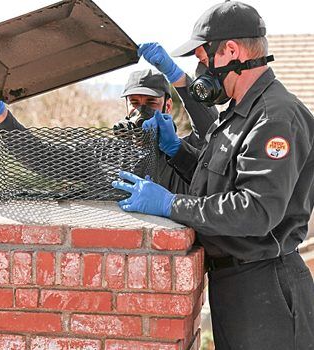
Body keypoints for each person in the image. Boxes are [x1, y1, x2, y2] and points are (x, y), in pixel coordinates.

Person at [112, 1, 314, 349]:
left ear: (231, 51)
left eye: (204, 61)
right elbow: (223, 185)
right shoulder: (239, 113)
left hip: (266, 289)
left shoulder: (274, 117)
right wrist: (180, 154)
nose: (203, 72)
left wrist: (171, 204)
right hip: (235, 285)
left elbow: (255, 211)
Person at [0, 68, 217, 195]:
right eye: (134, 103)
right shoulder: (103, 153)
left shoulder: (187, 153)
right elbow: (43, 158)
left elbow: (210, 129)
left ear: (167, 105)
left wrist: (181, 80)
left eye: (150, 103)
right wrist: (2, 115)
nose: (141, 110)